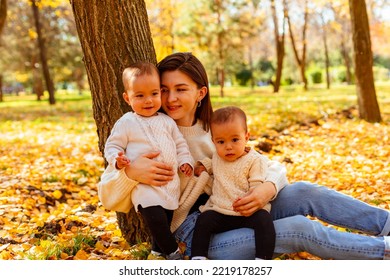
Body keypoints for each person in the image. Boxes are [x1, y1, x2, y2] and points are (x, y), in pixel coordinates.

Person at [98, 52, 390, 260]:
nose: (170, 98)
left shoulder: (215, 131)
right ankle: (383, 253)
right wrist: (130, 173)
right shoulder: (144, 134)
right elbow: (107, 196)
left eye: (180, 89)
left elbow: (265, 164)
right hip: (194, 236)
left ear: (200, 93)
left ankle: (386, 225)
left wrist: (267, 188)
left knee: (303, 191)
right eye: (164, 90)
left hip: (235, 209)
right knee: (298, 229)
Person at [103, 61, 194, 260]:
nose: (148, 101)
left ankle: (156, 253)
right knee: (155, 220)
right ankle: (173, 252)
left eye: (154, 93)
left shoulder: (167, 121)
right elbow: (112, 146)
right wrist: (117, 160)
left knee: (166, 219)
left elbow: (180, 145)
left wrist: (185, 161)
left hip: (170, 185)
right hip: (144, 186)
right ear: (127, 98)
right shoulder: (127, 122)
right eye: (140, 96)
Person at [191, 106, 275, 260]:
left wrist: (250, 200)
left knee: (264, 220)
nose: (228, 146)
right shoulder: (217, 156)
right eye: (221, 141)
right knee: (204, 219)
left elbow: (257, 185)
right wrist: (202, 166)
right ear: (213, 141)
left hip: (246, 211)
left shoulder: (254, 160)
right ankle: (198, 257)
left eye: (235, 140)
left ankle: (263, 259)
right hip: (221, 210)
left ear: (247, 137)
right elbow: (211, 164)